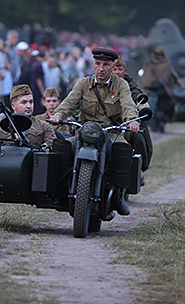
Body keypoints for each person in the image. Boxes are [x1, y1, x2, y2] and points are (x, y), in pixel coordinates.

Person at [52, 47, 140, 216]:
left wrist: (132, 121)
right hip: (84, 132)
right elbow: (69, 103)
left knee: (123, 150)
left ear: (111, 66)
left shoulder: (121, 84)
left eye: (106, 65)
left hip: (111, 133)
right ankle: (60, 191)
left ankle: (119, 195)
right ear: (93, 64)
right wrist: (58, 114)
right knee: (61, 147)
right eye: (98, 64)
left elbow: (128, 105)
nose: (101, 68)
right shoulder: (83, 83)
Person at [112, 56, 153, 181]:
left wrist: (143, 108)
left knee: (138, 138)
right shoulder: (103, 84)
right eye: (114, 69)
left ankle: (136, 169)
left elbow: (138, 97)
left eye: (120, 69)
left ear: (125, 71)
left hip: (127, 122)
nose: (117, 72)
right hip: (105, 122)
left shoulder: (130, 85)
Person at [0, 84, 56, 148]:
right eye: (24, 102)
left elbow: (53, 148)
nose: (29, 106)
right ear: (13, 106)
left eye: (31, 102)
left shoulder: (43, 126)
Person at [138, 47, 179, 131]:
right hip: (162, 90)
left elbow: (143, 77)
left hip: (148, 89)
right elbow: (174, 75)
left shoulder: (149, 63)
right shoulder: (166, 63)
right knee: (170, 102)